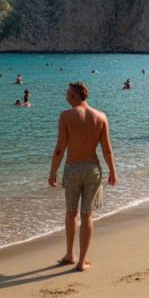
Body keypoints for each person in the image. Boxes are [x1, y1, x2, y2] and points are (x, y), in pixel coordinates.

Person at [48, 82, 117, 272]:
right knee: (87, 214)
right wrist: (113, 171)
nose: (66, 96)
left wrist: (53, 172)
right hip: (93, 169)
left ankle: (70, 254)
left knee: (71, 212)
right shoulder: (101, 117)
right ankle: (82, 261)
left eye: (68, 94)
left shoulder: (66, 116)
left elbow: (60, 148)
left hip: (73, 168)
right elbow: (107, 149)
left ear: (75, 96)